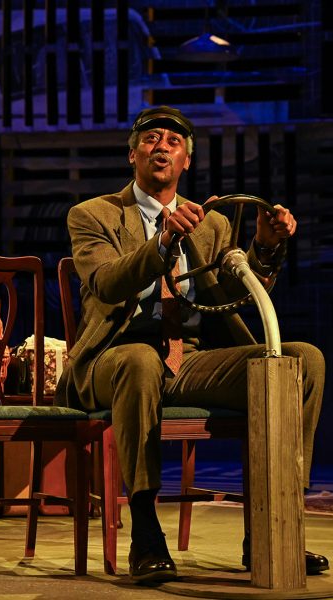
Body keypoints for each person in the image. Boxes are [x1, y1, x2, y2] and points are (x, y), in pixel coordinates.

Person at [55, 106, 328, 582]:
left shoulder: (212, 223)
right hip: (113, 360)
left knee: (303, 359)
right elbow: (106, 283)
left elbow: (240, 294)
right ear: (132, 154)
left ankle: (275, 524)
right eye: (151, 139)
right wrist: (160, 244)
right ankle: (145, 530)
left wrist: (264, 247)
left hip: (191, 359)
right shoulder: (94, 214)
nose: (162, 146)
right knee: (140, 359)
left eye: (173, 142)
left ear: (186, 161)